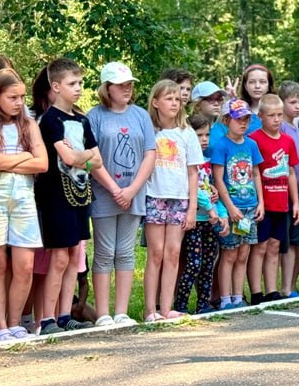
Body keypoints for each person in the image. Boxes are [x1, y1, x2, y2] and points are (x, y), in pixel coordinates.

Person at [0, 68, 48, 343]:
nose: (19, 103)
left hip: (24, 199)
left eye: (22, 97)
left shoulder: (29, 124)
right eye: (13, 97)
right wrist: (24, 157)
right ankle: (0, 325)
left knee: (25, 264)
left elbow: (43, 163)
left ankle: (16, 322)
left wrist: (10, 159)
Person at [34, 58, 102, 336]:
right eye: (72, 84)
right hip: (56, 197)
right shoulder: (49, 120)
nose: (78, 88)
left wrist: (81, 158)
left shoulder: (82, 120)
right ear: (56, 86)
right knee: (59, 257)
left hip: (80, 195)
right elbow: (69, 156)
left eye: (80, 83)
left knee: (75, 256)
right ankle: (47, 319)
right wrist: (82, 157)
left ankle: (64, 315)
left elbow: (96, 160)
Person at [87, 62, 156, 327]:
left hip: (134, 193)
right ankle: (103, 313)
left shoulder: (140, 115)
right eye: (120, 85)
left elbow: (150, 153)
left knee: (125, 252)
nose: (127, 89)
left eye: (129, 84)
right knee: (104, 251)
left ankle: (122, 312)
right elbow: (92, 158)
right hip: (105, 194)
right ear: (107, 88)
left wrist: (132, 189)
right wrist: (116, 189)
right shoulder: (95, 117)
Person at [143, 79, 202, 321]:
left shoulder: (186, 133)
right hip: (154, 196)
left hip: (180, 200)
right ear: (155, 102)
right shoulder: (149, 131)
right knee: (155, 252)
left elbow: (193, 171)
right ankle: (150, 310)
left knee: (173, 252)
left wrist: (192, 209)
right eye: (169, 99)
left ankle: (167, 308)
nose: (175, 103)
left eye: (178, 99)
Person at [212, 98, 265, 308]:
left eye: (246, 119)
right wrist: (230, 207)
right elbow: (218, 179)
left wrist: (261, 202)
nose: (242, 123)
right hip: (232, 208)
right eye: (238, 119)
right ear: (227, 120)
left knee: (244, 253)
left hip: (250, 207)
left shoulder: (251, 145)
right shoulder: (221, 146)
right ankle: (225, 299)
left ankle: (237, 296)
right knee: (229, 254)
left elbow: (256, 174)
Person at [248, 94, 299, 302]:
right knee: (259, 246)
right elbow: (253, 172)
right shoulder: (254, 140)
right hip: (263, 203)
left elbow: (291, 172)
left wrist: (295, 202)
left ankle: (271, 290)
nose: (276, 119)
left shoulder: (288, 141)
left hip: (281, 203)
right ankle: (256, 291)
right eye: (271, 116)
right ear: (260, 116)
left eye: (279, 115)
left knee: (275, 246)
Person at [175, 112, 228, 314]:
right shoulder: (188, 163)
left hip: (210, 220)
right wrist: (211, 209)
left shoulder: (207, 161)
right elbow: (194, 189)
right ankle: (180, 305)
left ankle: (203, 305)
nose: (204, 140)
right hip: (194, 219)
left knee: (208, 264)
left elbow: (213, 190)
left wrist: (221, 214)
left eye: (206, 135)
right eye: (199, 135)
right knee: (193, 264)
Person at [278, 80, 299, 296]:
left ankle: (292, 284)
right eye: (292, 102)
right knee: (286, 243)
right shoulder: (281, 128)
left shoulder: (296, 128)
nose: (297, 106)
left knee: (298, 242)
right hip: (284, 195)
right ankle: (285, 287)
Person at [238, 63, 273, 134]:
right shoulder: (238, 111)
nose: (257, 86)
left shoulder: (279, 110)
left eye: (262, 82)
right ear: (245, 86)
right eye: (252, 82)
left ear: (269, 85)